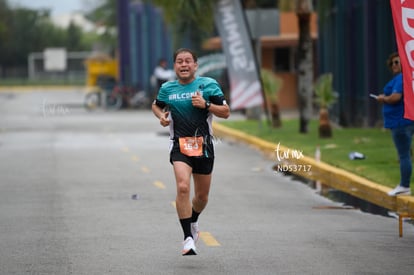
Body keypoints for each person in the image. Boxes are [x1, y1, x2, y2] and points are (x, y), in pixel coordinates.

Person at [152, 48, 230, 255]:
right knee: (183, 187)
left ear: (195, 65)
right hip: (179, 145)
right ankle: (187, 238)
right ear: (174, 66)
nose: (184, 65)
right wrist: (161, 116)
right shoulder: (167, 88)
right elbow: (156, 106)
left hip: (203, 146)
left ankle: (193, 221)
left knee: (202, 197)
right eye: (179, 61)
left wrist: (206, 105)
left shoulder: (209, 85)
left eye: (188, 61)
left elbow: (226, 112)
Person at [375, 52, 414, 196]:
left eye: (397, 62)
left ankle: (404, 185)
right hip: (407, 120)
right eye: (392, 63)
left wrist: (383, 98)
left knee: (404, 155)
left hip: (400, 121)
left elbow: (396, 97)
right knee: (406, 154)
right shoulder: (408, 78)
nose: (394, 65)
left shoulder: (401, 78)